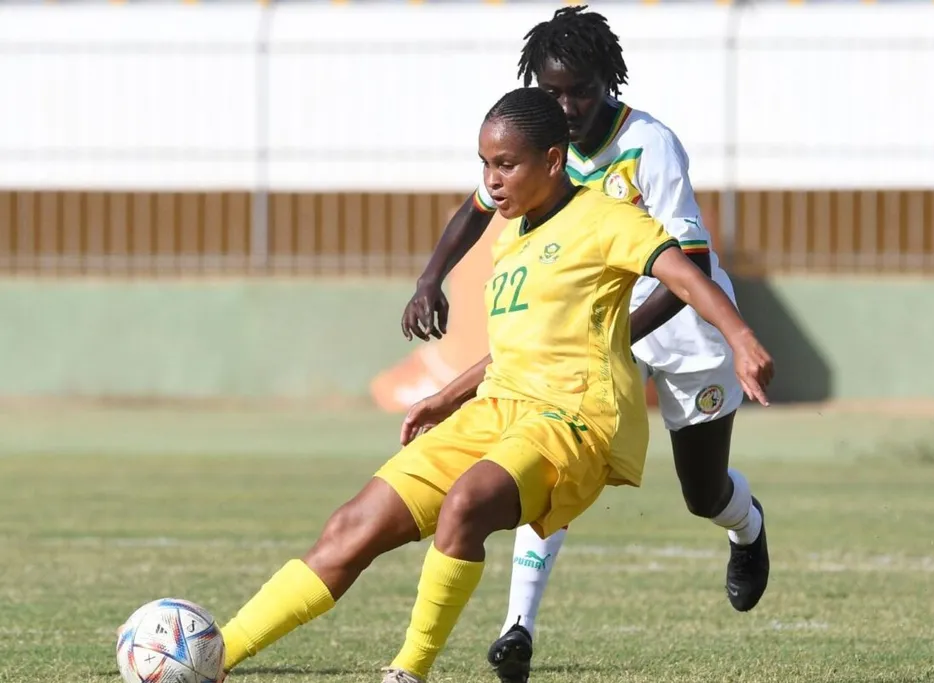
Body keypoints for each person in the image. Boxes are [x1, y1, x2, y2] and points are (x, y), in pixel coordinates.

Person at [178, 87, 772, 683]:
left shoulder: (608, 218)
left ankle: (409, 671)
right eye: (485, 164)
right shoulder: (511, 235)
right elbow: (518, 350)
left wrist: (741, 338)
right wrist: (445, 396)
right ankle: (215, 657)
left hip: (573, 422)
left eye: (505, 164)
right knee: (350, 526)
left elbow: (687, 276)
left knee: (467, 502)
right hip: (497, 408)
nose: (491, 180)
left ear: (552, 160)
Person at [399, 7, 772, 683]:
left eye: (580, 89)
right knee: (551, 459)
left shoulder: (650, 146)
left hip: (683, 331)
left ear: (609, 80)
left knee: (703, 490)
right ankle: (518, 626)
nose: (566, 105)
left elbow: (688, 259)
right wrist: (431, 277)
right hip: (591, 347)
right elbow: (476, 207)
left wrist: (611, 334)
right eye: (552, 90)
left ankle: (746, 527)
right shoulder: (543, 147)